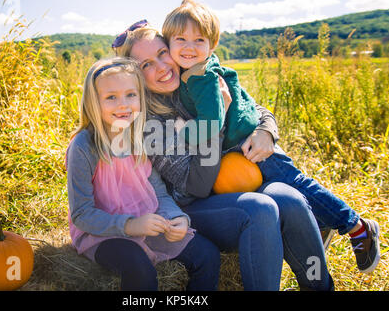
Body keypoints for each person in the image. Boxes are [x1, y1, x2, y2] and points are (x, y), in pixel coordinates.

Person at [161, 0, 380, 274]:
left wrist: (183, 133)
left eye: (199, 40)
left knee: (298, 184)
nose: (189, 47)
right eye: (180, 39)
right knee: (296, 186)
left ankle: (357, 227)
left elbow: (211, 123)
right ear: (167, 42)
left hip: (250, 145)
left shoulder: (201, 77)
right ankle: (320, 222)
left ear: (212, 44)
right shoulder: (200, 70)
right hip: (243, 147)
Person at [114, 24, 334, 291]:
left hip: (236, 184)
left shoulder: (196, 76)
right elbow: (195, 185)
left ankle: (318, 285)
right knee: (260, 208)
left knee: (289, 198)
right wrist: (214, 124)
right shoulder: (149, 122)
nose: (161, 66)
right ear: (134, 75)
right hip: (193, 207)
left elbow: (252, 108)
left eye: (162, 53)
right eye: (146, 64)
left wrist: (266, 129)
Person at [66, 57, 221, 291]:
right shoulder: (84, 146)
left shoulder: (140, 136)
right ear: (92, 103)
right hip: (103, 233)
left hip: (145, 223)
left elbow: (158, 192)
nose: (123, 105)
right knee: (139, 268)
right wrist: (131, 226)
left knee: (208, 255)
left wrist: (176, 217)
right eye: (111, 97)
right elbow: (82, 214)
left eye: (131, 94)